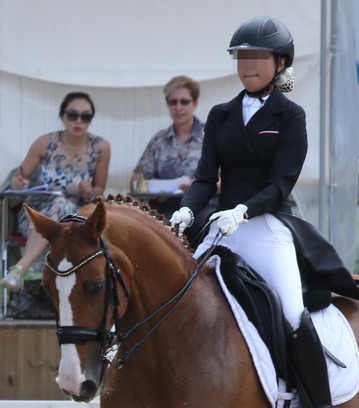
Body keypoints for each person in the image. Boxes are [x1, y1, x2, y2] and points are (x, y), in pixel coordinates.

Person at [171, 17, 334, 408]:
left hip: (266, 225)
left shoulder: (290, 116)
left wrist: (243, 210)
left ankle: (316, 400)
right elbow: (206, 179)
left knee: (294, 314)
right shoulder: (220, 115)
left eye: (258, 57)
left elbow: (282, 184)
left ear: (280, 64)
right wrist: (187, 212)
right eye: (242, 56)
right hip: (222, 226)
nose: (247, 65)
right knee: (175, 298)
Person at [0, 92, 111, 292]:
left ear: (91, 120)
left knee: (62, 207)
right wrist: (18, 184)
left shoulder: (101, 147)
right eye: (73, 115)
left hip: (79, 216)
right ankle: (26, 271)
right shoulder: (44, 142)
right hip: (39, 214)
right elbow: (20, 178)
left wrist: (91, 190)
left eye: (85, 116)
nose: (79, 121)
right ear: (62, 116)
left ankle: (20, 269)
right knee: (55, 206)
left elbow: (100, 190)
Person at [130, 75, 217, 243]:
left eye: (184, 101)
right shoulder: (159, 140)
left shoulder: (212, 135)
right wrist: (154, 186)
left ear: (195, 103)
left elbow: (228, 180)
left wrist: (197, 185)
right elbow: (136, 180)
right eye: (173, 102)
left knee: (208, 230)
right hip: (167, 210)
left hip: (204, 207)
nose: (178, 107)